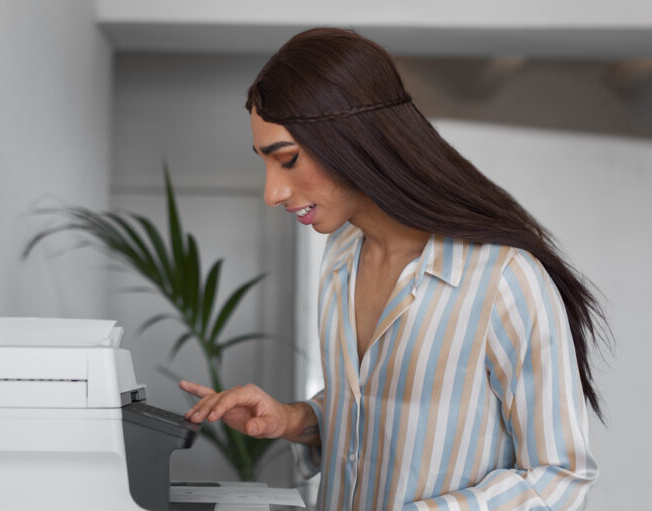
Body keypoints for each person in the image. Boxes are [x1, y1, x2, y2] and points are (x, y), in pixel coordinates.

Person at [179, 27, 608, 511]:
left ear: (353, 140)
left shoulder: (505, 281)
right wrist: (293, 419)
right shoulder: (340, 256)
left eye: (288, 161)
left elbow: (559, 477)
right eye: (267, 165)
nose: (272, 193)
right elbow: (373, 412)